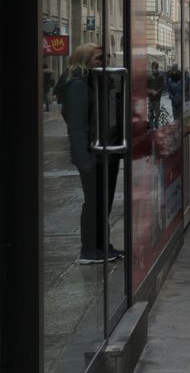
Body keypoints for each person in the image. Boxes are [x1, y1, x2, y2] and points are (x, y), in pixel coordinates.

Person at [60, 43, 123, 264]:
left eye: (106, 57)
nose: (104, 61)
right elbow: (76, 127)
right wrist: (85, 161)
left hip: (107, 152)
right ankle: (89, 249)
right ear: (84, 60)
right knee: (94, 202)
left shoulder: (100, 82)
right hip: (93, 154)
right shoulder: (78, 85)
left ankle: (102, 245)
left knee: (103, 202)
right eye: (98, 58)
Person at [147, 61, 165, 128]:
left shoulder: (160, 76)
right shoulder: (149, 76)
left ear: (157, 68)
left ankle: (157, 128)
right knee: (150, 114)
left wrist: (157, 92)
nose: (154, 70)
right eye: (153, 68)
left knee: (157, 114)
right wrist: (150, 91)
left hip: (157, 99)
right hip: (150, 98)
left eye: (155, 68)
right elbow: (146, 87)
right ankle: (151, 128)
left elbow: (162, 87)